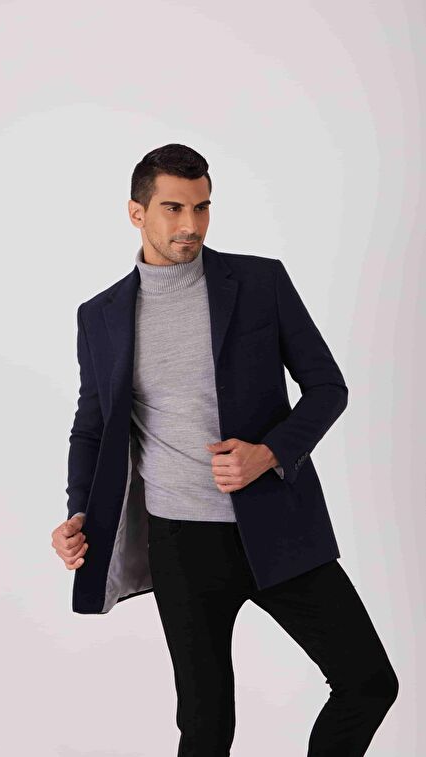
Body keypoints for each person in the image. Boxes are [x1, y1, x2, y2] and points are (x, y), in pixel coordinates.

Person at [51, 143, 399, 755]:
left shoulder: (261, 283)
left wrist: (270, 452)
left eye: (203, 207)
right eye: (174, 208)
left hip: (277, 526)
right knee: (206, 727)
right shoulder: (99, 315)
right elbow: (93, 428)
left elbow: (328, 387)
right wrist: (78, 511)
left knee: (368, 682)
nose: (191, 224)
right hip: (181, 544)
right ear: (136, 213)